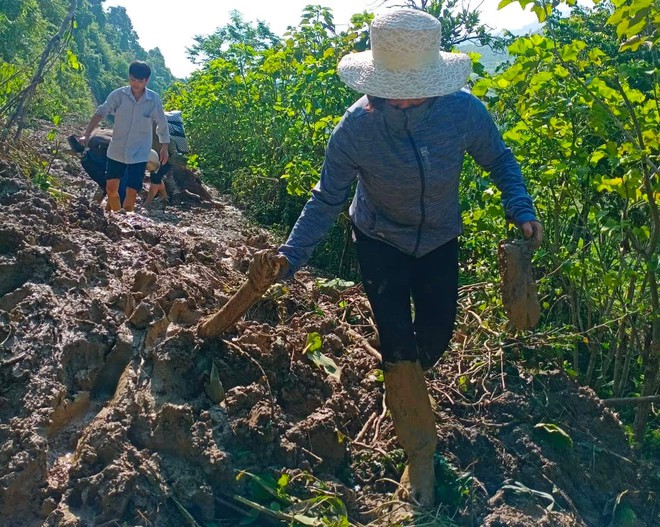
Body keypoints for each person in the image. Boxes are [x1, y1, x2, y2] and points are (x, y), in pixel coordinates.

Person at [273, 9, 544, 507]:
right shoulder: (356, 128)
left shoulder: (463, 112)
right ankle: (418, 454)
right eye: (390, 82)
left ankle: (402, 393)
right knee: (397, 339)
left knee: (437, 332)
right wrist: (291, 255)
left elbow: (500, 159)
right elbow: (327, 198)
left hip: (440, 238)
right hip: (378, 239)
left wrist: (520, 207)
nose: (397, 93)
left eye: (410, 83)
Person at [79, 60, 171, 212]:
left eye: (140, 81)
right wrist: (86, 134)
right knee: (111, 188)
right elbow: (101, 112)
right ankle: (116, 215)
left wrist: (164, 147)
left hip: (140, 151)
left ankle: (125, 218)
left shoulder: (153, 100)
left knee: (132, 191)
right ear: (129, 77)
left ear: (147, 81)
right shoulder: (119, 95)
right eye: (133, 79)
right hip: (117, 149)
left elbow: (162, 123)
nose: (135, 84)